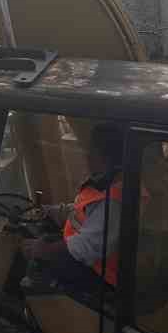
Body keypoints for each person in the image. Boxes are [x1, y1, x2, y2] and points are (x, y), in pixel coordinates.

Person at [23, 124, 125, 297]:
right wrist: (50, 211)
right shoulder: (107, 184)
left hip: (99, 276)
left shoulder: (115, 201)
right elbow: (80, 211)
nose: (87, 156)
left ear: (106, 157)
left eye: (91, 151)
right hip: (88, 259)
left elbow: (86, 247)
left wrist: (44, 250)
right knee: (43, 240)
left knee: (32, 265)